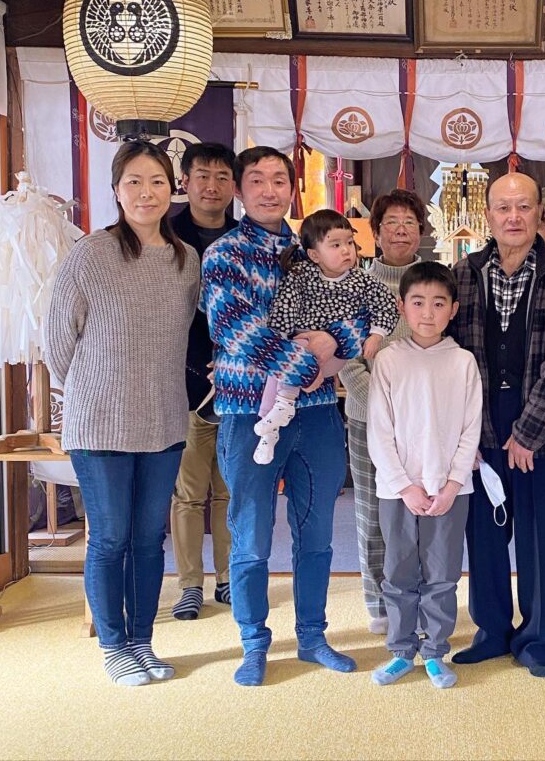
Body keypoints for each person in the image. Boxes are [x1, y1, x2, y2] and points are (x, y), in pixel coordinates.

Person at [202, 146, 357, 686]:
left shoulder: (313, 247)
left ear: (294, 188)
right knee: (250, 534)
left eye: (279, 179)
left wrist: (337, 342)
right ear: (240, 191)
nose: (270, 190)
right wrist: (308, 363)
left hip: (316, 417)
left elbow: (359, 313)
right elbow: (233, 329)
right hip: (248, 414)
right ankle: (253, 642)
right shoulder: (224, 253)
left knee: (316, 531)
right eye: (257, 180)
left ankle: (313, 636)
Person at [47, 141, 199, 686]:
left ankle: (142, 642)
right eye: (133, 181)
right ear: (116, 191)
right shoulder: (92, 253)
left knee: (145, 539)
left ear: (171, 188)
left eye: (156, 181)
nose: (146, 192)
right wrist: (93, 390)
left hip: (161, 419)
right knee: (109, 538)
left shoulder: (187, 260)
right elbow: (57, 341)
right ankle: (113, 646)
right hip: (102, 422)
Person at [450, 172, 545, 679]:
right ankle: (490, 631)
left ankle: (541, 639)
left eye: (523, 207)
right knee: (484, 535)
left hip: (544, 428)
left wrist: (528, 432)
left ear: (539, 214)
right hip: (481, 425)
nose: (513, 217)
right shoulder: (463, 273)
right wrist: (482, 435)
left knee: (540, 534)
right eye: (503, 208)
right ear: (488, 214)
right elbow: (455, 358)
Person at [367, 261, 482, 689]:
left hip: (450, 491)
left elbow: (471, 429)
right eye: (418, 303)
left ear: (453, 309)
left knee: (442, 574)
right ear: (402, 306)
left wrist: (452, 484)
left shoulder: (463, 362)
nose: (428, 313)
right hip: (398, 491)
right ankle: (400, 650)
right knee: (398, 571)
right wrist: (404, 485)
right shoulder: (389, 360)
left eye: (438, 303)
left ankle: (435, 651)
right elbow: (379, 429)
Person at [338, 189, 427, 634]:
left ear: (421, 233)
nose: (400, 229)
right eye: (391, 222)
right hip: (367, 418)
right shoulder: (355, 282)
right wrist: (381, 405)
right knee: (373, 513)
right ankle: (378, 599)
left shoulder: (433, 282)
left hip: (423, 423)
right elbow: (347, 357)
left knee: (420, 512)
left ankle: (421, 597)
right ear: (374, 232)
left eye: (409, 222)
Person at [254, 209, 398, 465]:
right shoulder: (301, 276)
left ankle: (284, 404)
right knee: (282, 363)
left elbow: (386, 305)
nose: (346, 250)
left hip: (336, 356)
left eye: (349, 243)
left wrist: (376, 334)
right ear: (314, 254)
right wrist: (279, 339)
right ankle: (269, 432)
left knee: (294, 356)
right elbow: (285, 306)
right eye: (336, 244)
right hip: (301, 348)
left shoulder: (361, 280)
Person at [169, 142, 237, 621]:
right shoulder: (165, 237)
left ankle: (229, 578)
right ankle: (190, 583)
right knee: (189, 492)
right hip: (184, 382)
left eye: (221, 177)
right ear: (185, 182)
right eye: (202, 176)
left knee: (229, 489)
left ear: (233, 187)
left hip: (239, 386)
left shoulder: (244, 239)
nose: (211, 186)